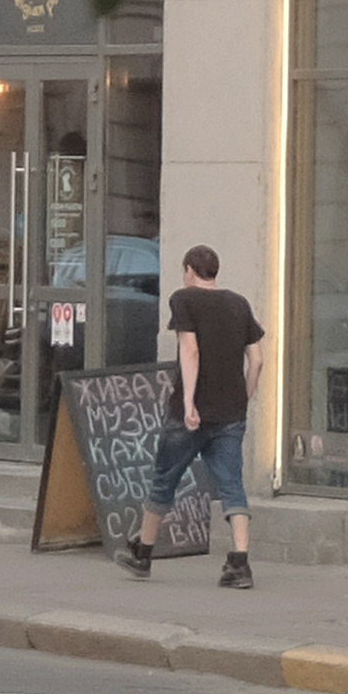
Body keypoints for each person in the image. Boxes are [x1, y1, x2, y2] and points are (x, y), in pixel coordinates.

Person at [117, 244, 265, 589]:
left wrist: (188, 405)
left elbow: (190, 350)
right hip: (231, 412)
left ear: (189, 270)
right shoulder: (238, 303)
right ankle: (240, 563)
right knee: (232, 486)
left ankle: (143, 555)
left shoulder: (183, 300)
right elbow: (256, 360)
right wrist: (244, 397)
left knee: (163, 479)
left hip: (191, 414)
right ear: (214, 272)